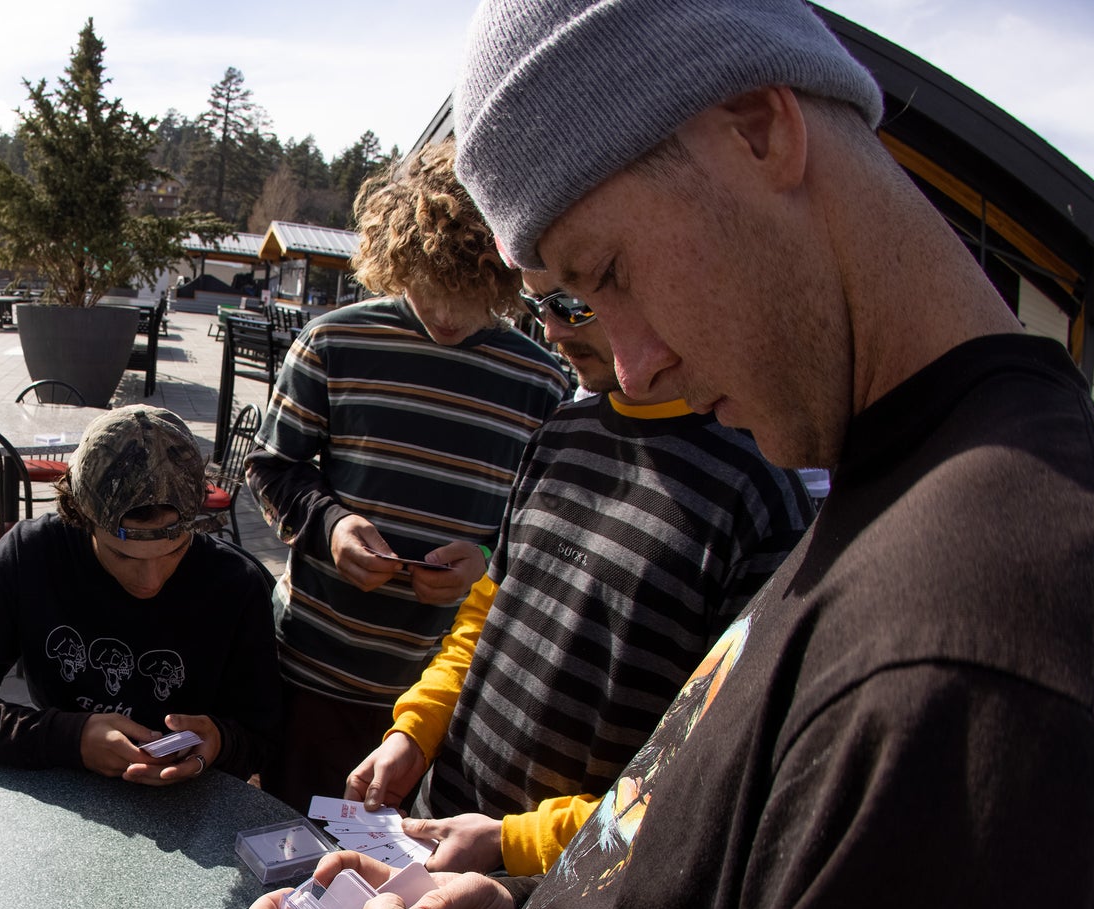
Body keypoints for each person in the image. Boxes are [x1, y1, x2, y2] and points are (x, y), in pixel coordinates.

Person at [235, 2, 1094, 909]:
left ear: (759, 124)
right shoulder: (903, 494)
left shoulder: (985, 654)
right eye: (575, 308)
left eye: (611, 269)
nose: (630, 366)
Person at [343, 273, 812, 874]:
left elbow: (708, 765)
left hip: (564, 890)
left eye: (576, 302)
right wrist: (415, 729)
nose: (552, 328)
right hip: (437, 830)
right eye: (542, 303)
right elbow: (488, 613)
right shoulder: (561, 432)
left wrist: (516, 843)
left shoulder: (761, 494)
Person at [245, 140, 569, 812]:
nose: (447, 315)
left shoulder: (543, 381)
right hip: (314, 672)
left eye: (471, 293)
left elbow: (539, 533)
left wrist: (483, 559)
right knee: (279, 867)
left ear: (507, 277)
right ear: (397, 259)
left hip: (443, 698)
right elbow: (272, 466)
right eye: (429, 285)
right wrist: (330, 527)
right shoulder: (333, 342)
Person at [0, 407, 282, 782]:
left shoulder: (236, 584)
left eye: (174, 551)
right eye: (121, 554)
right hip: (66, 789)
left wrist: (220, 743)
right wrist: (70, 737)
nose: (149, 581)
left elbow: (264, 738)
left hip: (193, 810)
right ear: (81, 516)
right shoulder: (34, 554)